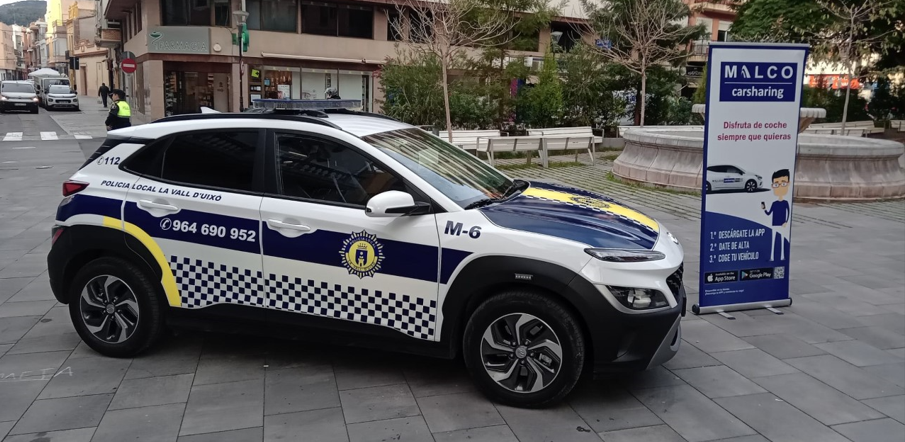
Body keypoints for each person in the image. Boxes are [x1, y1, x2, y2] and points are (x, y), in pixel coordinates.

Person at [761, 169, 791, 261]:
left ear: (788, 183)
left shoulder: (785, 202)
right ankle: (772, 257)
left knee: (782, 240)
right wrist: (764, 209)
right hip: (774, 223)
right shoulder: (774, 203)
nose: (780, 187)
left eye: (783, 183)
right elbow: (769, 213)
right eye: (776, 184)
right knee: (773, 240)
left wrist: (786, 221)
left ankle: (782, 256)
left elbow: (788, 212)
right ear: (773, 186)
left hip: (782, 223)